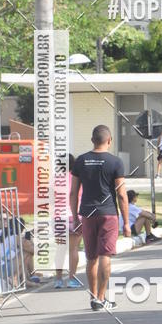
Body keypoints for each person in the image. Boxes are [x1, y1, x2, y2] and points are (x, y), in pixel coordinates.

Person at [71, 125, 130, 312]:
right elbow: (121, 195)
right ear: (109, 140)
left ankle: (94, 296)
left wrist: (75, 217)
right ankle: (102, 298)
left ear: (92, 140)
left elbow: (73, 192)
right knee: (105, 255)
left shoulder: (81, 161)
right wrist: (127, 222)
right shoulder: (115, 162)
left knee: (91, 257)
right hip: (108, 214)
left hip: (87, 214)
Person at [55, 153, 83, 289]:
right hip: (74, 216)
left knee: (60, 249)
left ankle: (58, 279)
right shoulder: (77, 179)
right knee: (73, 249)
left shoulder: (54, 180)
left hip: (58, 217)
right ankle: (72, 279)